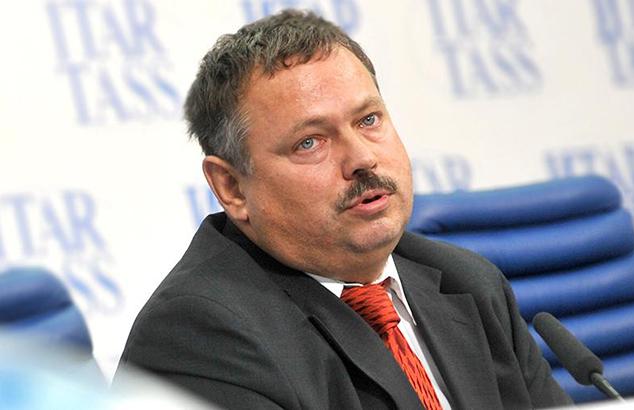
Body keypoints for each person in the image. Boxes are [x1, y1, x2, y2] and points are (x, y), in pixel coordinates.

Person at [116, 9, 573, 410]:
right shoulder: (197, 335)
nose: (362, 158)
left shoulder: (468, 282)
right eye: (310, 142)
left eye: (368, 120)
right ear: (232, 187)